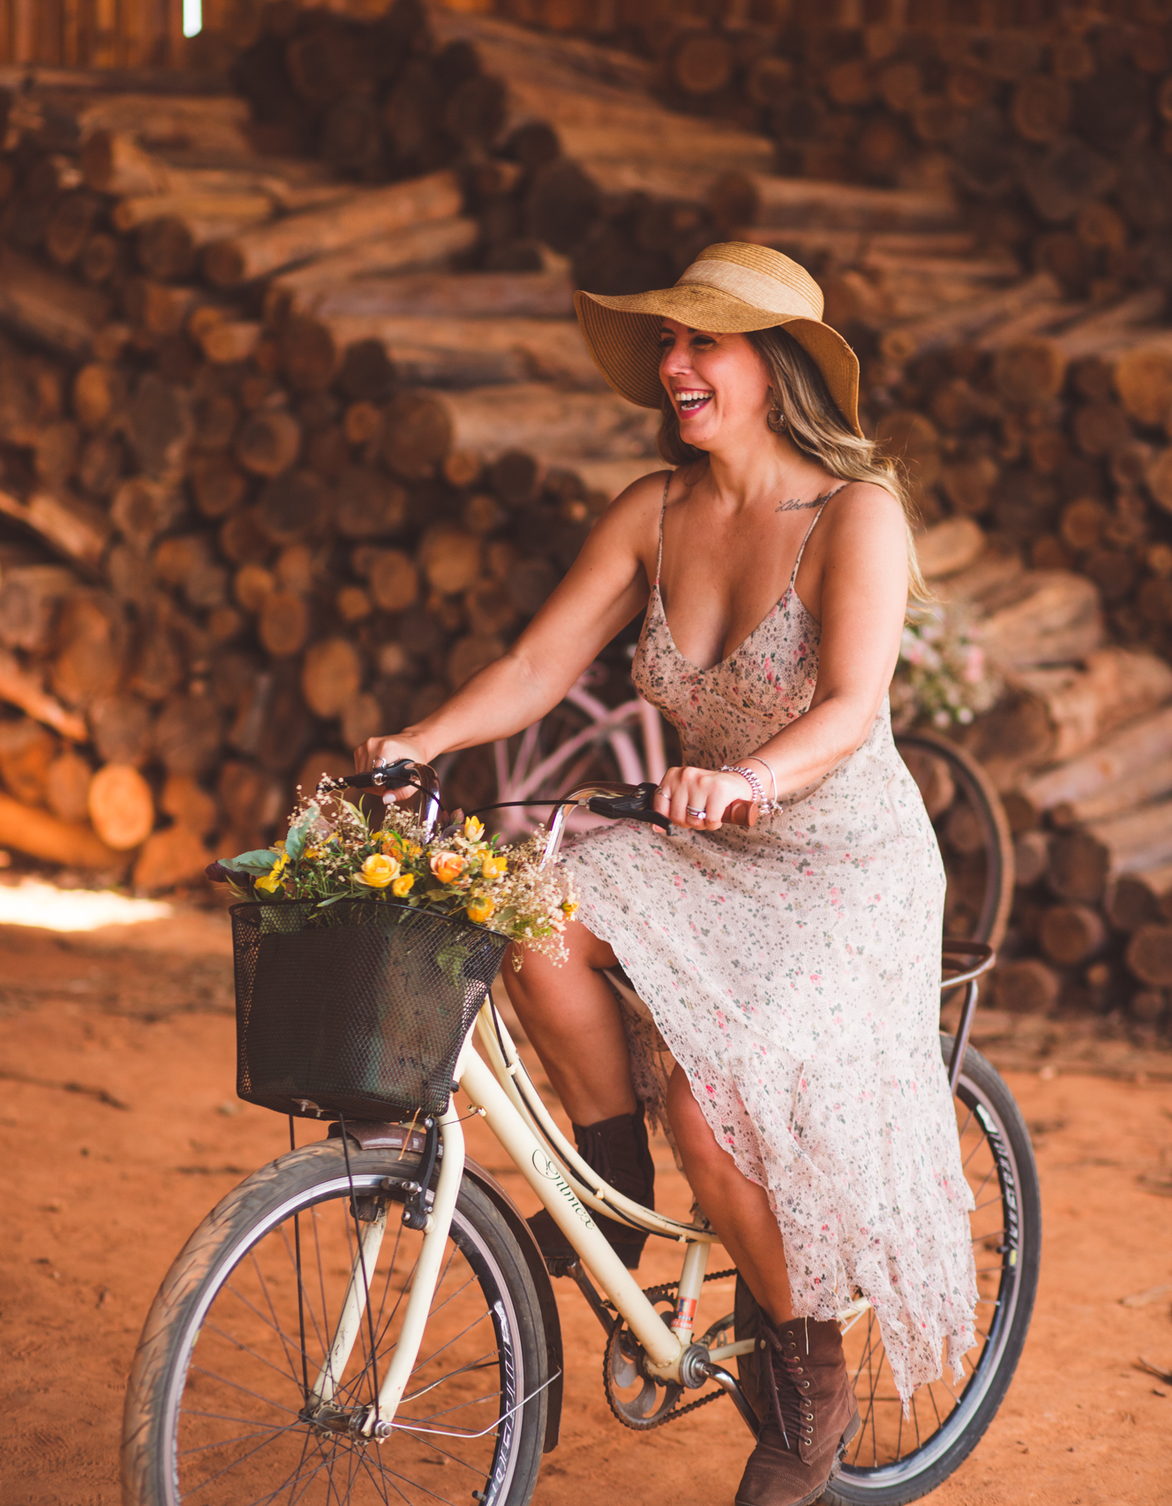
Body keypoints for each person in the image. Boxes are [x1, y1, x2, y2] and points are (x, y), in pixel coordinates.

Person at [356, 242, 979, 1506]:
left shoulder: (855, 513)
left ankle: (808, 1384)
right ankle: (617, 1193)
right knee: (534, 913)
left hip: (845, 868)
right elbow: (538, 668)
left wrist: (750, 777)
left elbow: (854, 707)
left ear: (777, 365)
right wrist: (423, 739)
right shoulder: (654, 508)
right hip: (708, 851)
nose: (675, 365)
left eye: (705, 342)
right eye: (669, 344)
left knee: (713, 1103)